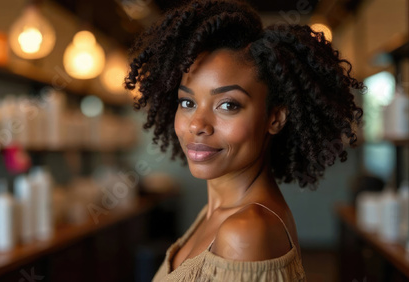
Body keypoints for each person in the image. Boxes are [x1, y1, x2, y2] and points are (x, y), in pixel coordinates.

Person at [124, 0, 364, 281]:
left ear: (275, 118)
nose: (197, 125)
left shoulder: (247, 231)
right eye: (187, 102)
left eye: (228, 105)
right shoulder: (215, 212)